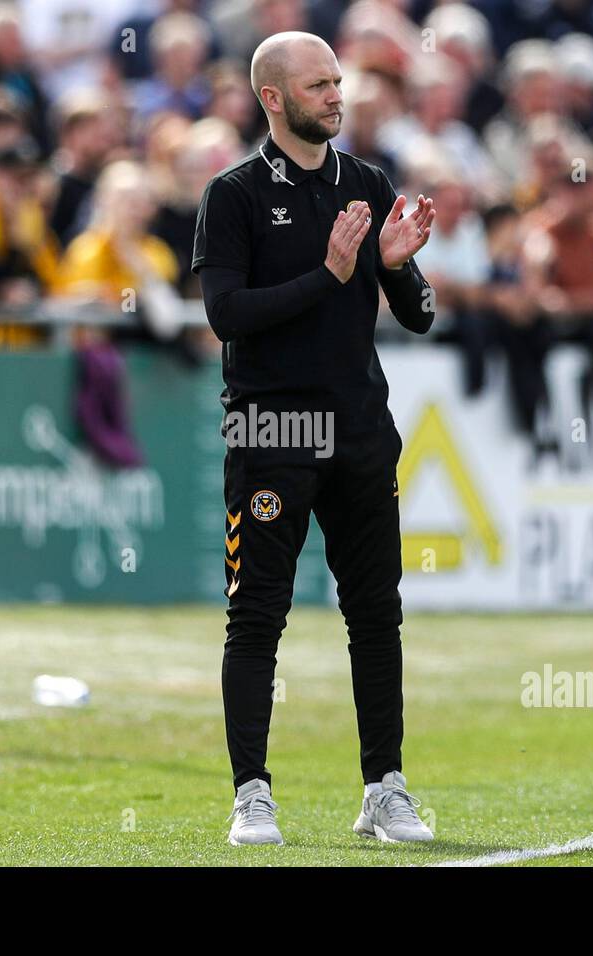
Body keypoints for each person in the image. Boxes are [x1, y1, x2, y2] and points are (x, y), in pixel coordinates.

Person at [191, 30, 437, 846]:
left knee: (376, 614)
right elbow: (227, 316)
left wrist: (396, 267)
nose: (337, 95)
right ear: (273, 99)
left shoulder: (366, 182)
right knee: (256, 615)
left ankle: (386, 788)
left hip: (361, 432)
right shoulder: (232, 196)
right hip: (270, 431)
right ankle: (251, 793)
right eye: (319, 84)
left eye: (339, 82)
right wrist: (327, 276)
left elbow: (421, 315)